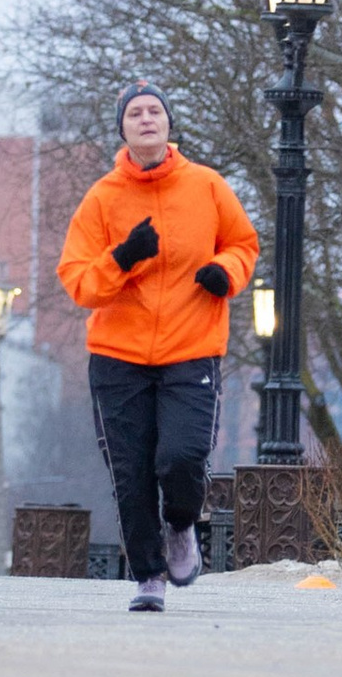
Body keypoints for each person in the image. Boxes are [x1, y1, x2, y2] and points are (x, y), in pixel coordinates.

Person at [57, 81, 258, 613]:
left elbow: (244, 243)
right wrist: (122, 257)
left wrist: (225, 272)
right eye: (135, 114)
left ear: (169, 124)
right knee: (132, 471)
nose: (146, 119)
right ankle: (149, 576)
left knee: (181, 457)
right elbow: (79, 282)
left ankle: (183, 523)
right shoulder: (103, 197)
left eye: (155, 111)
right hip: (118, 357)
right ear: (122, 129)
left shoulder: (207, 186)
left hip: (191, 347)